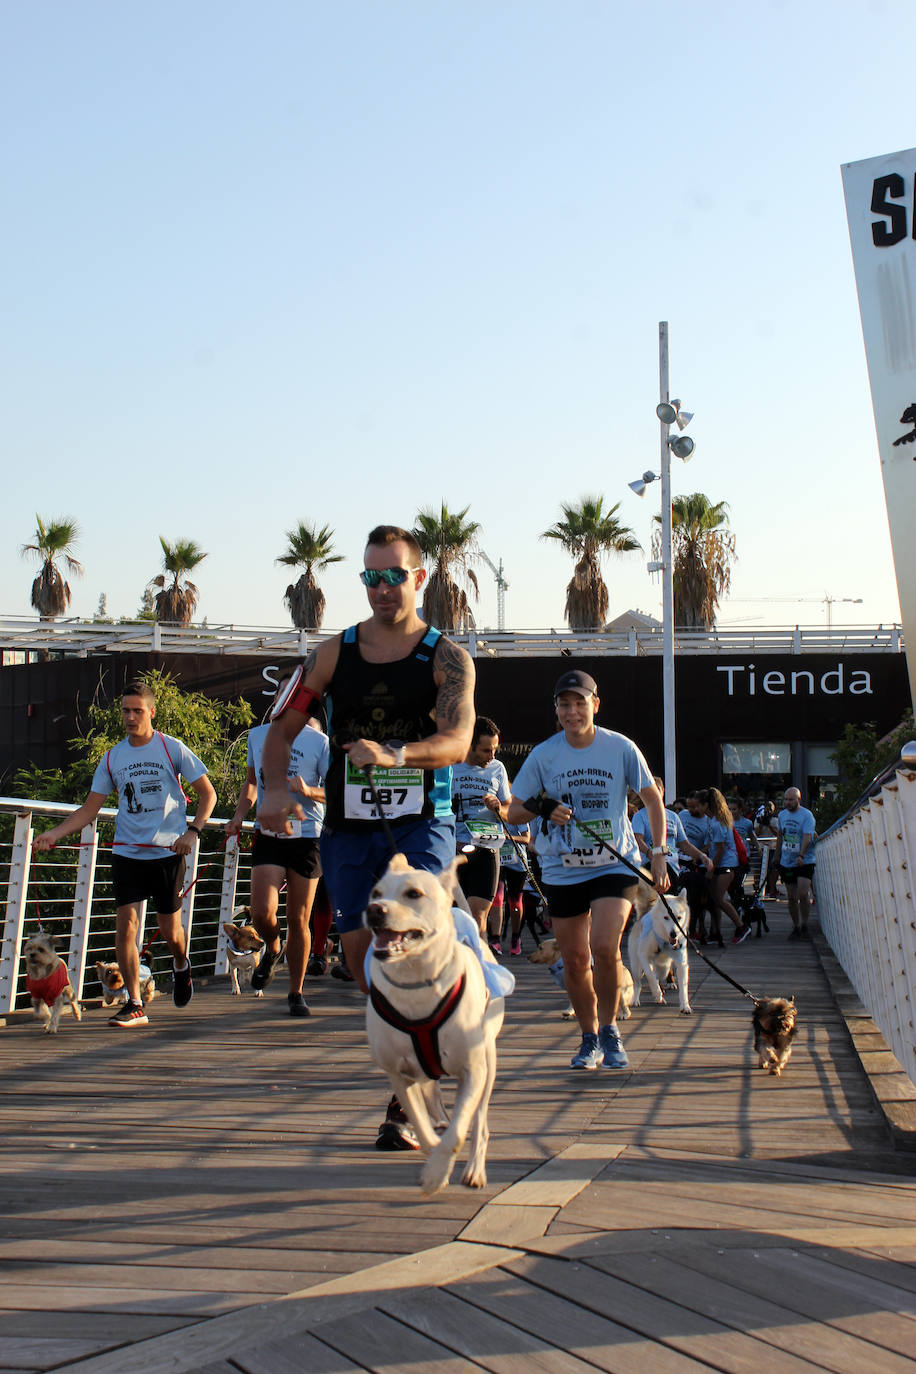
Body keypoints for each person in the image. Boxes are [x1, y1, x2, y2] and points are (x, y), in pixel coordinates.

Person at [259, 523, 475, 1149]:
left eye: (394, 576)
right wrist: (275, 788)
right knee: (362, 959)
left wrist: (395, 754)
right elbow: (281, 731)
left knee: (413, 936)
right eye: (371, 577)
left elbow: (458, 741)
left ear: (420, 578)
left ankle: (408, 1095)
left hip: (421, 818)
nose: (382, 589)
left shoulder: (446, 658)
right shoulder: (331, 654)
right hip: (350, 827)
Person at [507, 668, 669, 1072]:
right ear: (556, 710)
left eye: (580, 703)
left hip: (614, 863)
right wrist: (543, 807)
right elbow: (512, 811)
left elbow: (652, 798)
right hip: (563, 868)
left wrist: (660, 853)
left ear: (595, 705)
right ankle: (589, 1036)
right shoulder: (544, 754)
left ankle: (611, 1029)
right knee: (576, 959)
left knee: (603, 947)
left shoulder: (620, 748)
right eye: (565, 704)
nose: (572, 712)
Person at [33, 680, 216, 1028]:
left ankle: (181, 963)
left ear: (151, 712)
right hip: (127, 853)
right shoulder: (113, 756)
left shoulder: (171, 748)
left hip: (167, 851)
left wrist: (192, 832)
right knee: (126, 927)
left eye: (137, 711)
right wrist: (53, 834)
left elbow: (208, 795)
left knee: (170, 929)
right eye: (125, 711)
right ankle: (134, 1003)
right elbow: (89, 809)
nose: (130, 717)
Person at [226, 681, 330, 1016]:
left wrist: (308, 790)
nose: (284, 700)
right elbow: (252, 782)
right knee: (261, 913)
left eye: (294, 695)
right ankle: (272, 945)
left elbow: (337, 794)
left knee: (299, 918)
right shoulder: (258, 736)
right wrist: (239, 816)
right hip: (268, 832)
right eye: (280, 694)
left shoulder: (321, 743)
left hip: (307, 834)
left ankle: (296, 992)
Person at [450, 717, 512, 949]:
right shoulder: (450, 765)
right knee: (454, 915)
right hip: (455, 847)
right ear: (470, 744)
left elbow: (510, 810)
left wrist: (499, 808)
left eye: (495, 749)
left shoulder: (497, 769)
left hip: (487, 848)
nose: (492, 756)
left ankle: (480, 966)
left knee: (478, 917)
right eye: (486, 750)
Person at [633, 776, 714, 892]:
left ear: (662, 791)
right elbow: (638, 839)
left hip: (672, 869)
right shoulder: (640, 815)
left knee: (670, 906)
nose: (654, 792)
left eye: (657, 789)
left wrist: (702, 856)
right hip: (649, 867)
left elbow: (684, 844)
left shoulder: (673, 816)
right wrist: (649, 853)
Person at [702, 787, 752, 946]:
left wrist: (711, 869)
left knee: (719, 899)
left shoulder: (718, 823)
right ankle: (715, 932)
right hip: (722, 863)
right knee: (714, 900)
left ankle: (741, 926)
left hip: (726, 864)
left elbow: (721, 849)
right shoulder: (716, 820)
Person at [775, 787, 817, 939]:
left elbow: (807, 836)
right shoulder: (782, 815)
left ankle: (805, 924)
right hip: (787, 860)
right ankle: (796, 925)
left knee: (803, 893)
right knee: (791, 897)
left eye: (791, 800)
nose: (787, 802)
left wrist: (802, 854)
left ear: (798, 800)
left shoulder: (807, 816)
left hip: (805, 860)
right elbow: (780, 835)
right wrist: (777, 855)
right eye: (785, 799)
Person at [492, 820, 532, 956]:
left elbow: (527, 839)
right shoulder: (489, 814)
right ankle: (495, 939)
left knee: (514, 902)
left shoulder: (515, 814)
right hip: (497, 859)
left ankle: (516, 937)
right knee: (497, 898)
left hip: (516, 861)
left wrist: (507, 837)